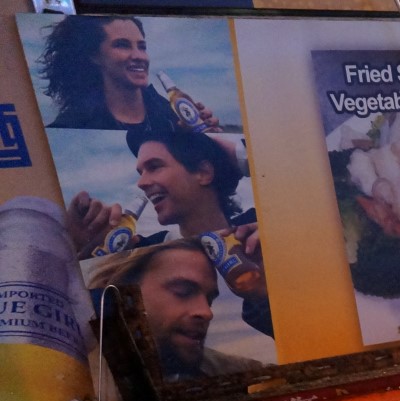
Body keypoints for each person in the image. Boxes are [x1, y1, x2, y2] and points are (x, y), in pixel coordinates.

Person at [68, 131, 273, 339]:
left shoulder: (263, 225)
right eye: (141, 172)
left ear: (203, 173)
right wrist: (78, 251)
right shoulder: (139, 253)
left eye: (154, 167)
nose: (141, 183)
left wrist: (241, 153)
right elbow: (95, 330)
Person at [87, 239, 270, 382]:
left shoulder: (228, 371)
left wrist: (264, 298)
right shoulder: (81, 373)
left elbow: (284, 381)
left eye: (209, 300)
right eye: (183, 292)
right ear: (118, 293)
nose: (207, 313)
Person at [38, 15, 216, 135]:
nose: (139, 56)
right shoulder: (71, 126)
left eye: (142, 47)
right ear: (94, 56)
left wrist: (205, 140)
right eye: (122, 45)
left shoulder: (172, 116)